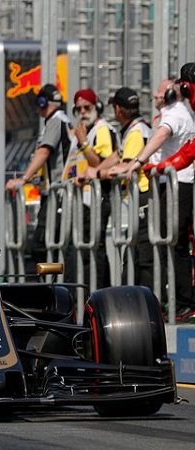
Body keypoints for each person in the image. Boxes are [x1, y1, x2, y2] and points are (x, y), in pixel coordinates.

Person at [110, 78, 195, 321]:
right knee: (167, 242)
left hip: (177, 185)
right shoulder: (173, 113)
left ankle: (184, 302)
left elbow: (161, 137)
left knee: (173, 242)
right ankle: (177, 301)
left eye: (159, 93)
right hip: (168, 185)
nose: (155, 97)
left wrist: (137, 163)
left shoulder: (176, 114)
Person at [5, 83, 72, 266]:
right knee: (49, 242)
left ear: (43, 102)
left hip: (56, 194)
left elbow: (44, 152)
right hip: (55, 192)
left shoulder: (56, 120)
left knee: (43, 243)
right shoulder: (60, 120)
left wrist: (23, 179)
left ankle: (49, 287)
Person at [68, 89, 119, 288]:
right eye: (78, 108)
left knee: (94, 245)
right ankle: (87, 290)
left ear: (96, 107)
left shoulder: (100, 129)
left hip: (98, 196)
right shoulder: (85, 130)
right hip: (84, 197)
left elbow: (100, 162)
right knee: (86, 245)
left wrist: (84, 143)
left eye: (86, 107)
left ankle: (97, 291)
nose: (82, 111)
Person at [107, 87, 153, 289]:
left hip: (141, 197)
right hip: (140, 197)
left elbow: (126, 166)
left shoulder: (135, 132)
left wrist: (104, 173)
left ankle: (143, 300)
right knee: (135, 252)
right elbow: (116, 157)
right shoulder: (135, 128)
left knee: (140, 254)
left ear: (119, 109)